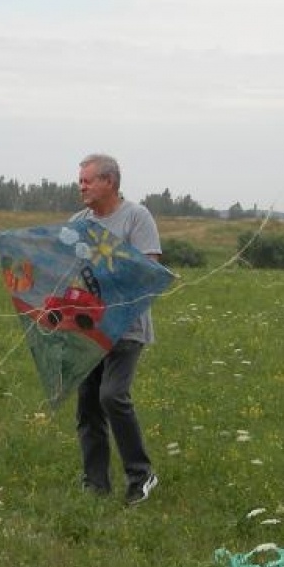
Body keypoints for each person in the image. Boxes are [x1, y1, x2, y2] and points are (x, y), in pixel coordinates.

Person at [70, 154, 162, 505]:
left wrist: (105, 271)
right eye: (80, 180)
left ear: (109, 182)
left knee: (112, 396)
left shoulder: (137, 218)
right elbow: (67, 268)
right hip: (87, 328)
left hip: (126, 328)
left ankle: (141, 475)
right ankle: (95, 484)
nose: (81, 186)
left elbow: (148, 269)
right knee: (88, 405)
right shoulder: (78, 222)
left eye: (88, 180)